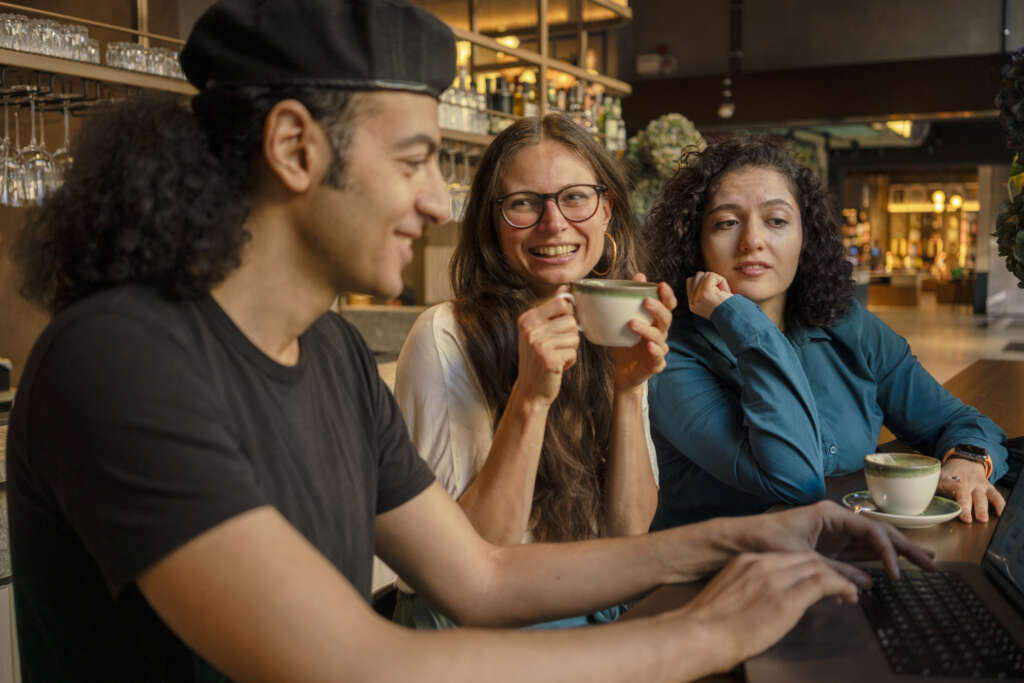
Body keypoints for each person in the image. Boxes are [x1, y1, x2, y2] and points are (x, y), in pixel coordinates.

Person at [8, 3, 936, 681]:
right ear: (295, 148)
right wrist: (706, 632)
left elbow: (482, 572)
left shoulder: (326, 353)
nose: (438, 201)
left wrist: (757, 533)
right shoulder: (123, 360)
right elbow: (351, 659)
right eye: (412, 159)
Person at [392, 113, 673, 628]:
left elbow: (631, 534)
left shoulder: (614, 329)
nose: (554, 224)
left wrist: (629, 388)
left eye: (575, 197)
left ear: (606, 210)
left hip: (585, 606)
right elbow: (465, 571)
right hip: (475, 626)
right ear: (492, 223)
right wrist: (529, 397)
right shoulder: (446, 336)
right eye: (524, 203)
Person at [643, 137, 1009, 529]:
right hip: (714, 579)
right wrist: (743, 321)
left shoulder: (846, 323)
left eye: (777, 221)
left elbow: (957, 421)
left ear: (806, 236)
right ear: (695, 243)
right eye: (727, 222)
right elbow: (794, 481)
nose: (752, 241)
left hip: (847, 561)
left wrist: (969, 461)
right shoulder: (671, 354)